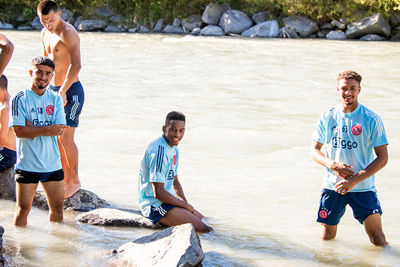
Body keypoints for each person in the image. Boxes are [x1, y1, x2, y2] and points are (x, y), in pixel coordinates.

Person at [311, 70, 388, 246]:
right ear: (338, 89)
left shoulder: (371, 119)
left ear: (359, 90)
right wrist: (333, 165)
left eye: (352, 88)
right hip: (333, 186)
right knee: (327, 237)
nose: (348, 92)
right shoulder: (327, 116)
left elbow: (383, 158)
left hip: (363, 187)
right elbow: (314, 151)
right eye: (344, 88)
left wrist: (354, 180)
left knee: (378, 239)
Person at [10, 56, 66, 227]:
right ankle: (20, 248)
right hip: (28, 165)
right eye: (39, 72)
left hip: (52, 164)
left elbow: (60, 128)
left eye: (48, 74)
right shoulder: (20, 98)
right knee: (23, 209)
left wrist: (32, 126)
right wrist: (48, 129)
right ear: (31, 73)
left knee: (57, 210)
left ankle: (56, 250)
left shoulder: (55, 99)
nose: (43, 77)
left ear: (52, 76)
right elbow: (19, 132)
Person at [38, 0, 85, 198]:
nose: (47, 24)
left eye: (50, 20)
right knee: (56, 138)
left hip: (71, 90)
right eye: (43, 21)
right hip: (53, 89)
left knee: (66, 137)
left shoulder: (68, 32)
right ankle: (64, 178)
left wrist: (63, 91)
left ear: (59, 13)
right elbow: (47, 62)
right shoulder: (45, 33)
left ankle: (75, 180)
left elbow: (76, 66)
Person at [138, 111, 212, 233]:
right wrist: (185, 207)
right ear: (164, 129)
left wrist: (185, 204)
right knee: (205, 230)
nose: (177, 134)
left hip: (169, 201)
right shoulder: (158, 152)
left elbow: (175, 182)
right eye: (173, 129)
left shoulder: (174, 149)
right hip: (155, 205)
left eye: (181, 130)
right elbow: (159, 194)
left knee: (207, 220)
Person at [0, 75, 16, 171]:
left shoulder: (5, 108)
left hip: (6, 153)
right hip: (9, 152)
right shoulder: (12, 102)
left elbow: (1, 139)